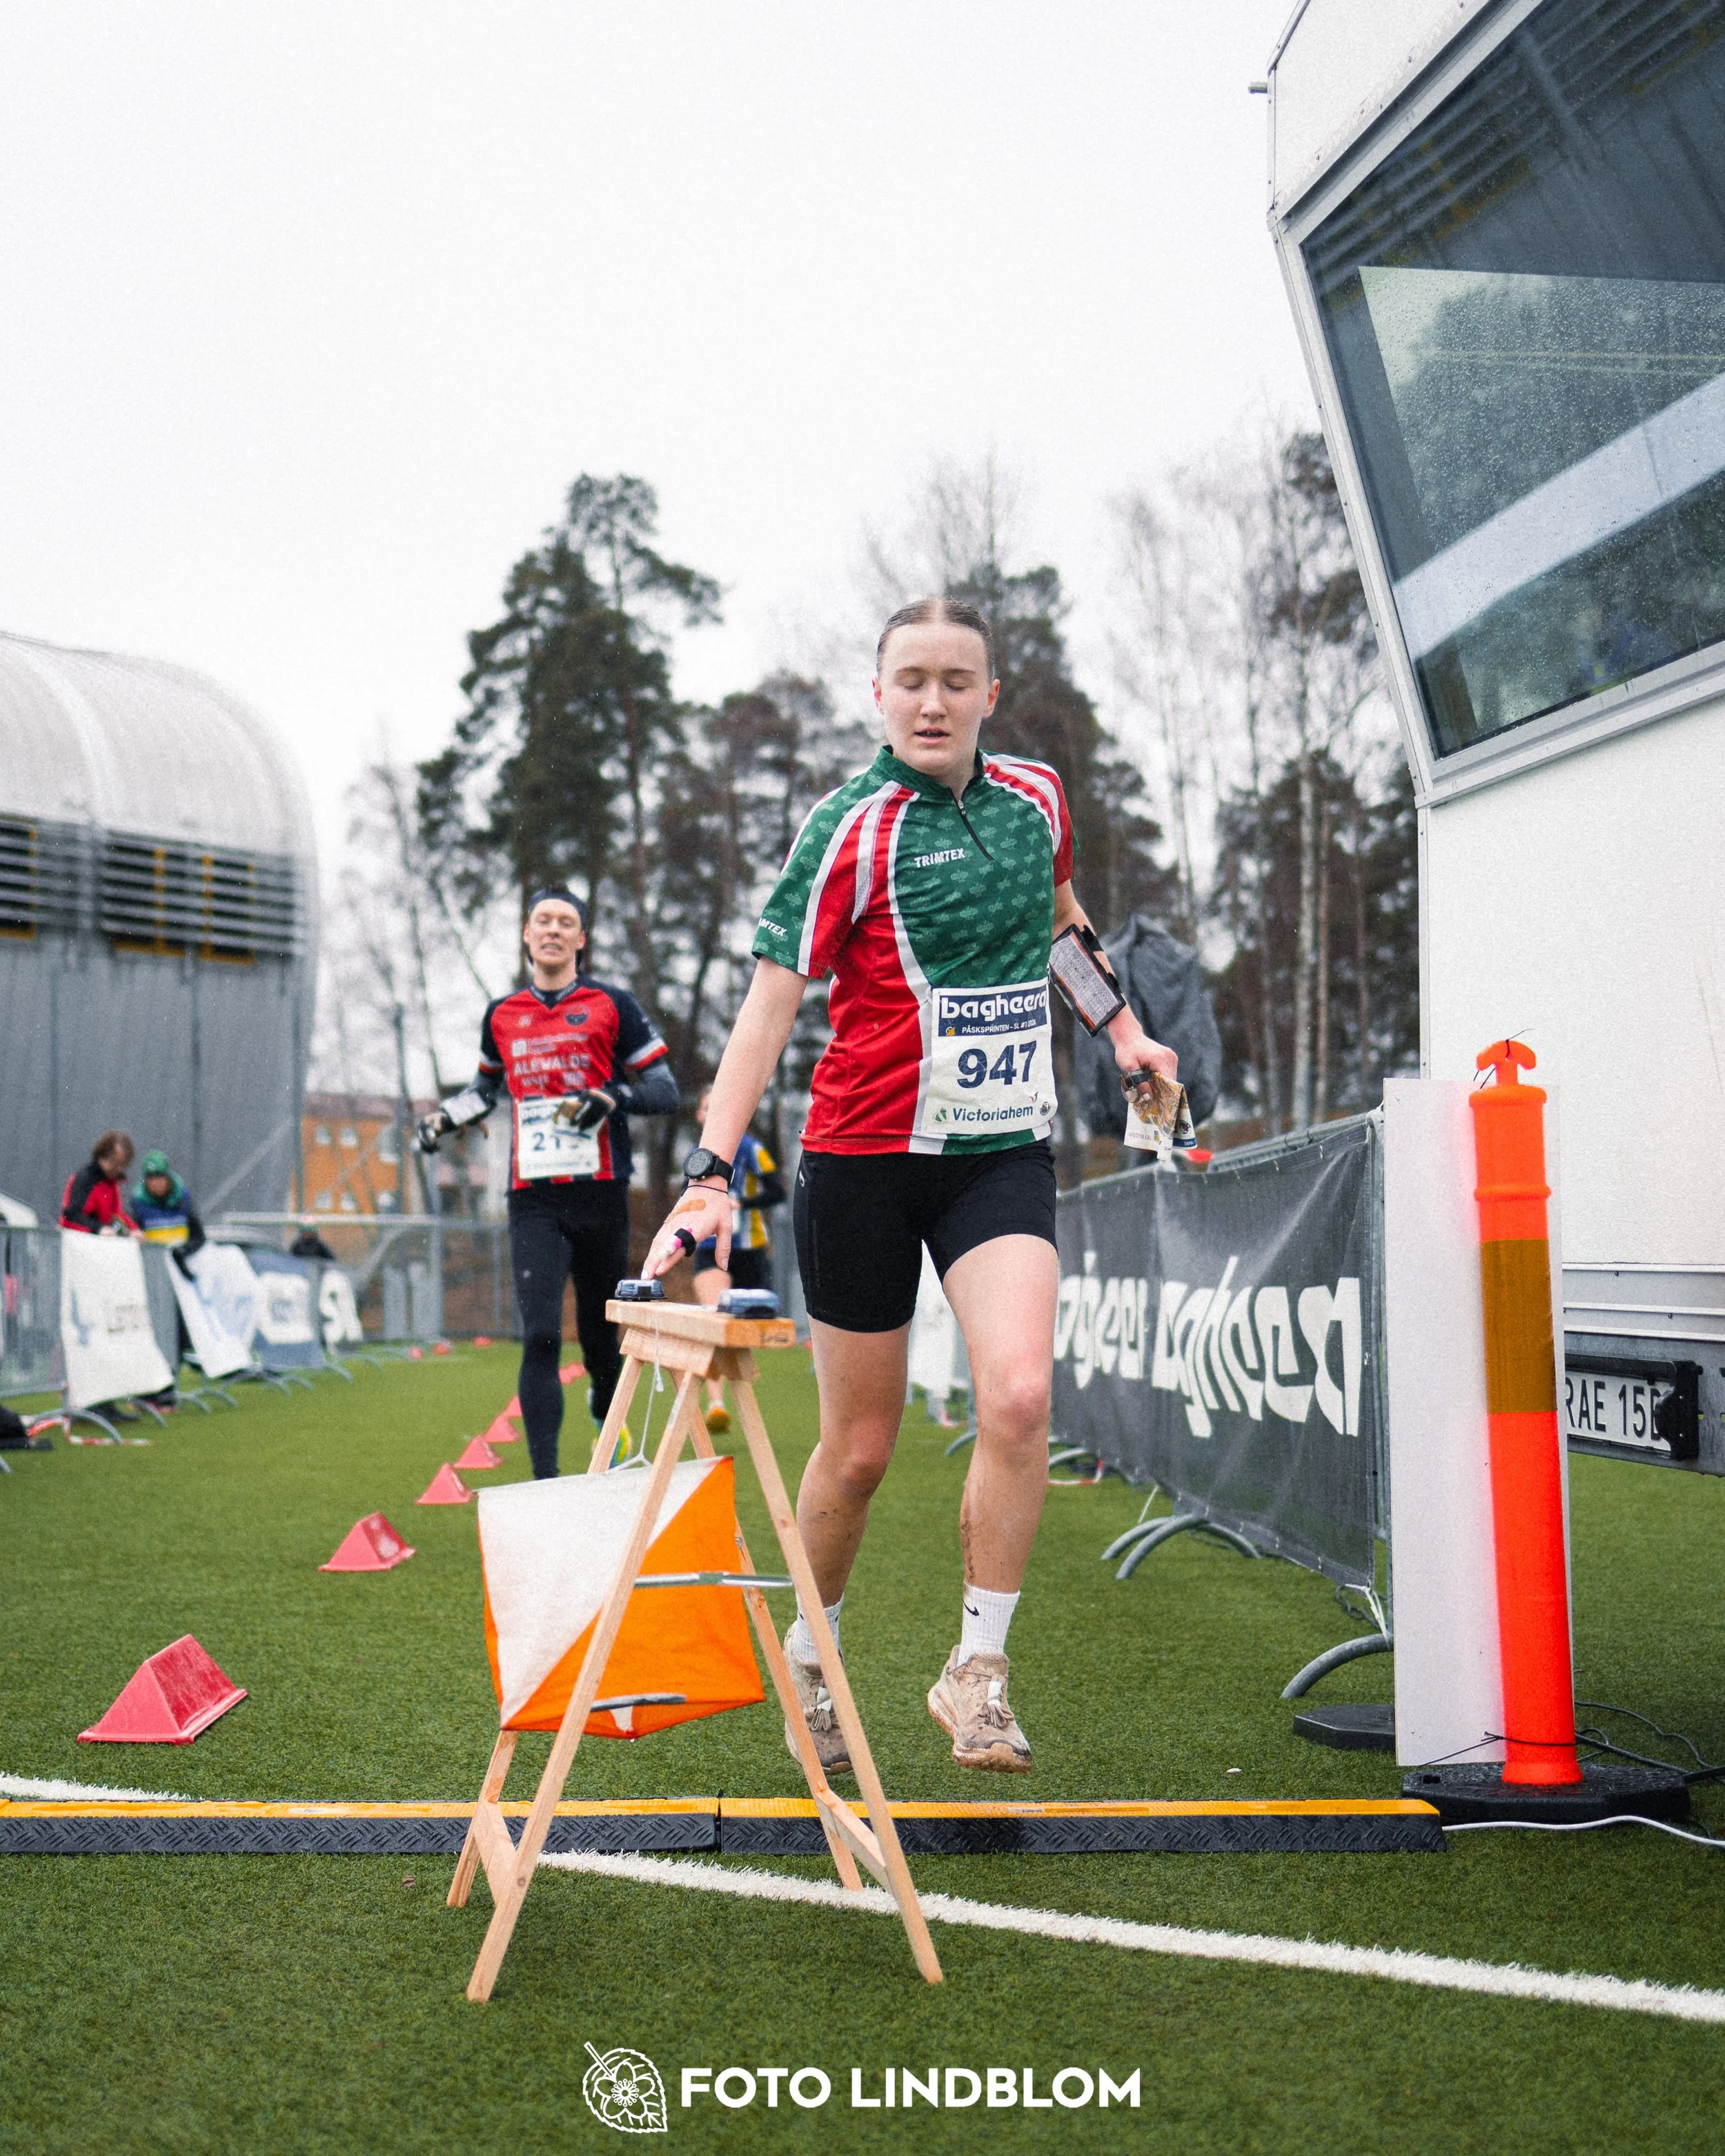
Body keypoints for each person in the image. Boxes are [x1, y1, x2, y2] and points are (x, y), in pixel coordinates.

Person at [643, 598, 1176, 1777]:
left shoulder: (1037, 800)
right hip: (864, 1162)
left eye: (957, 680)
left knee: (1023, 1396)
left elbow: (1060, 923)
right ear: (877, 695)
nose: (932, 702)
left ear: (993, 694)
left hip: (997, 1156)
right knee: (862, 1452)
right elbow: (770, 1007)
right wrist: (709, 1173)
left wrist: (1124, 1031)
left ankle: (977, 1671)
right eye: (910, 681)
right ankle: (813, 1652)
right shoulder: (846, 828)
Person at [417, 887, 678, 1478]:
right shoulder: (502, 1014)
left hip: (601, 1192)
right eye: (543, 920)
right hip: (534, 1197)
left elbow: (666, 1090)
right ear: (527, 934)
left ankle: (608, 1449)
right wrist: (444, 1117)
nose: (554, 930)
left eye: (566, 922)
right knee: (538, 1336)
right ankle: (545, 1482)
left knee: (600, 1342)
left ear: (581, 939)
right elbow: (485, 1089)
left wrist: (615, 1095)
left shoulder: (613, 1004)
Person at [687, 1086, 786, 1432]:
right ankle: (716, 1403)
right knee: (714, 1322)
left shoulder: (752, 1149)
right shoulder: (696, 1155)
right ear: (700, 1116)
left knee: (739, 1333)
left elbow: (778, 1191)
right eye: (706, 1109)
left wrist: (742, 1204)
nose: (712, 1114)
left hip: (749, 1249)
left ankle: (739, 1402)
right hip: (709, 1250)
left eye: (720, 1107)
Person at [60, 1132, 139, 1235]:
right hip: (79, 1242)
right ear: (102, 1156)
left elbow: (117, 1215)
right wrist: (99, 1229)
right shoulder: (85, 1179)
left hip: (101, 1244)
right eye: (114, 1163)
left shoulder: (111, 1183)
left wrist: (133, 1230)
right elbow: (71, 1216)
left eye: (122, 1165)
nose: (119, 1169)